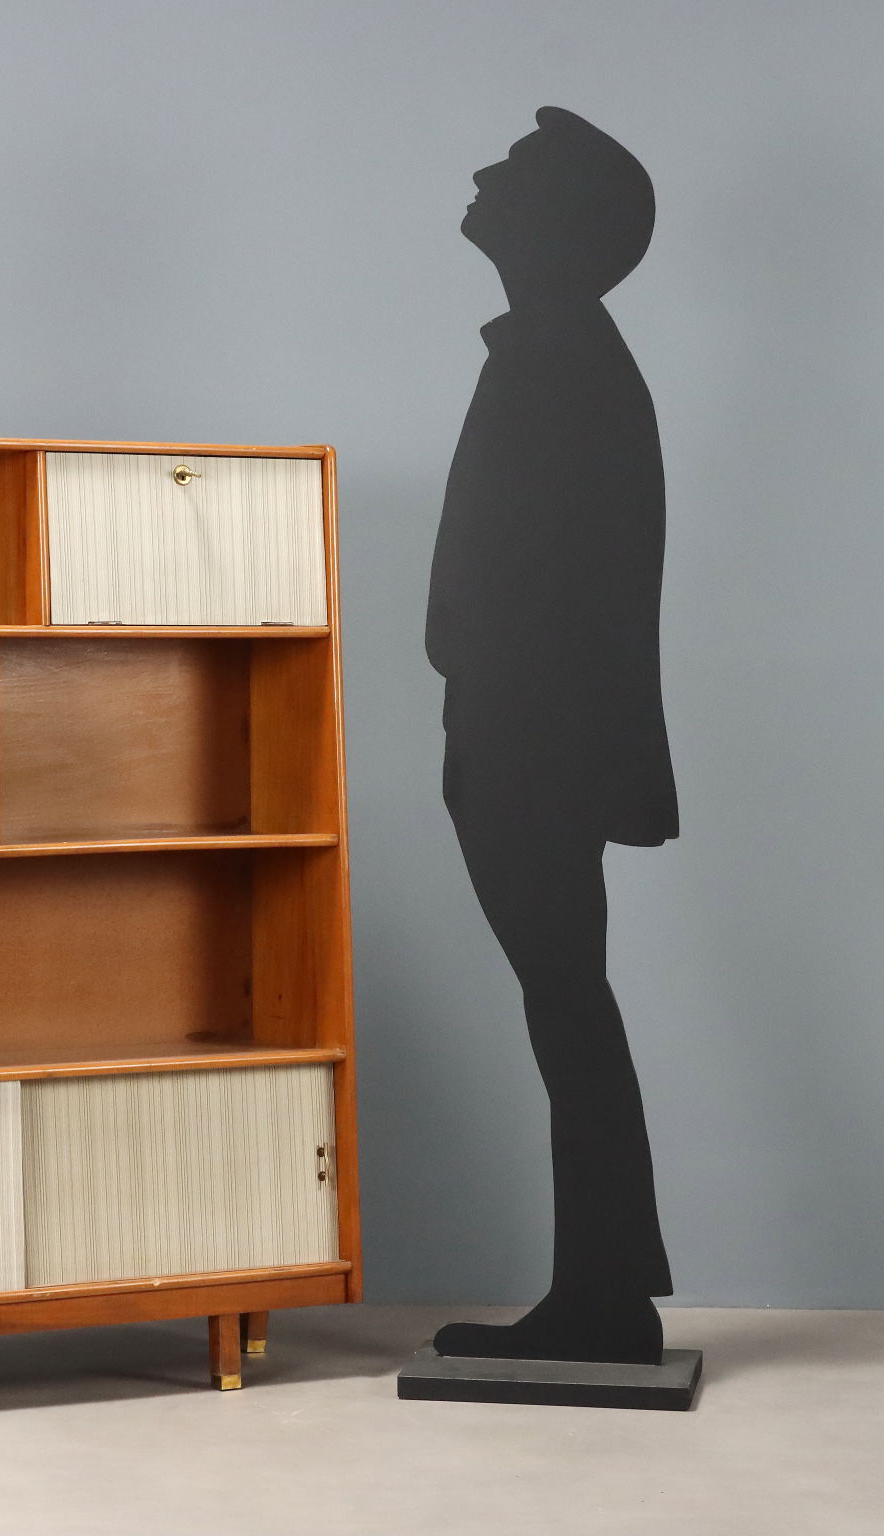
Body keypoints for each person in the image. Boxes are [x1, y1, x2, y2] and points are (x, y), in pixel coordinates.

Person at [425, 107, 679, 1365]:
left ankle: (605, 1295)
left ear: (561, 223)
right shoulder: (562, 353)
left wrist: (487, 699)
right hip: (528, 734)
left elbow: (559, 581)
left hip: (534, 742)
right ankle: (606, 1287)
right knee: (569, 1002)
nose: (484, 173)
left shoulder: (561, 360)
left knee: (568, 1003)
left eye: (516, 170)